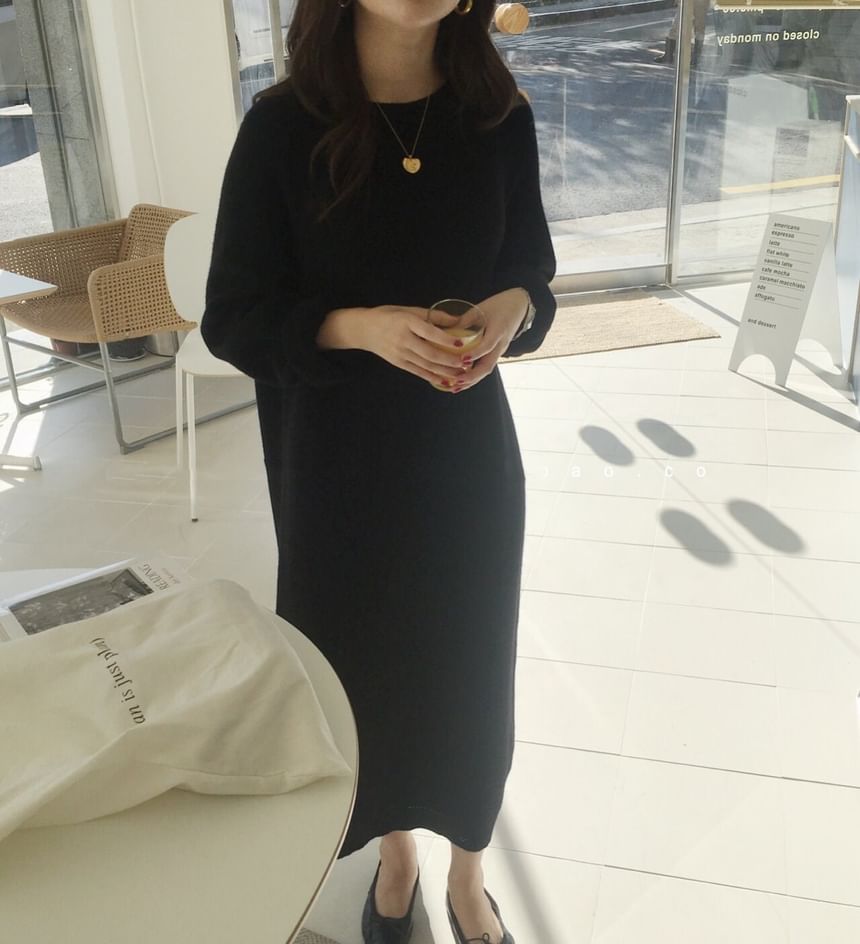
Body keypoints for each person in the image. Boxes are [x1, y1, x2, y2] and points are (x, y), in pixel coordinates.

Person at [201, 1, 556, 942]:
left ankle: (469, 875)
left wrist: (515, 306)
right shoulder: (282, 128)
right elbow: (232, 316)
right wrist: (361, 328)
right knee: (364, 677)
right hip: (337, 475)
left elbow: (534, 270)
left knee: (471, 671)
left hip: (466, 463)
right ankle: (397, 857)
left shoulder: (499, 115)